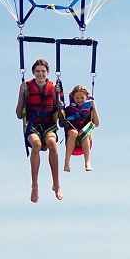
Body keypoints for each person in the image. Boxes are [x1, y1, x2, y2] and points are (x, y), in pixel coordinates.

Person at [15, 58, 63, 202]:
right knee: (36, 145)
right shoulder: (27, 88)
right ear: (33, 73)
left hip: (49, 125)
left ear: (47, 72)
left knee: (52, 143)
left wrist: (59, 102)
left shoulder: (54, 87)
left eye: (43, 71)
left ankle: (56, 184)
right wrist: (20, 94)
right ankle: (34, 185)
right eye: (38, 71)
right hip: (32, 126)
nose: (40, 74)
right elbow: (18, 114)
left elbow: (61, 121)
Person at [63, 85, 99, 173]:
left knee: (84, 134)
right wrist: (61, 109)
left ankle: (87, 162)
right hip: (72, 135)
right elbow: (61, 124)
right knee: (73, 132)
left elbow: (97, 123)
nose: (79, 100)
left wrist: (94, 108)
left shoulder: (89, 109)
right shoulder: (69, 109)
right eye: (77, 98)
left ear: (86, 97)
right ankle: (67, 162)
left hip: (85, 136)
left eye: (82, 98)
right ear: (73, 97)